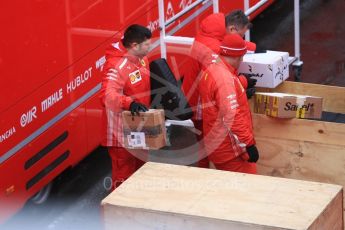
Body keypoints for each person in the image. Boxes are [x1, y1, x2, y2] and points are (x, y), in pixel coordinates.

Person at [181, 10, 256, 168]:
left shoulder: (210, 34)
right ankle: (204, 176)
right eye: (241, 36)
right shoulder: (214, 50)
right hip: (202, 106)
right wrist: (242, 83)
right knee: (205, 149)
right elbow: (221, 84)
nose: (241, 39)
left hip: (194, 97)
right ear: (233, 30)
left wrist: (253, 47)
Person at [100, 24, 152, 189]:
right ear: (134, 46)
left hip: (138, 127)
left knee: (142, 170)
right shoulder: (116, 65)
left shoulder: (142, 58)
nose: (150, 47)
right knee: (124, 177)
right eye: (146, 45)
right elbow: (106, 96)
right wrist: (130, 103)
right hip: (120, 132)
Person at [198, 33, 259, 174]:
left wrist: (242, 84)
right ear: (238, 56)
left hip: (218, 146)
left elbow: (219, 97)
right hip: (231, 151)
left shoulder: (212, 68)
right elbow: (231, 115)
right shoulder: (224, 79)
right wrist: (249, 144)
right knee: (249, 188)